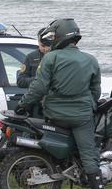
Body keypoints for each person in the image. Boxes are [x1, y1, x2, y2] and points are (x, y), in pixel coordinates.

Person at [18, 19, 103, 189]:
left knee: (54, 152)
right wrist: (87, 105)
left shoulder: (50, 58)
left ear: (59, 37)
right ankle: (95, 183)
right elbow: (96, 92)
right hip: (81, 117)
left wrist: (23, 104)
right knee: (89, 155)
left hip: (55, 115)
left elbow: (38, 87)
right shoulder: (91, 60)